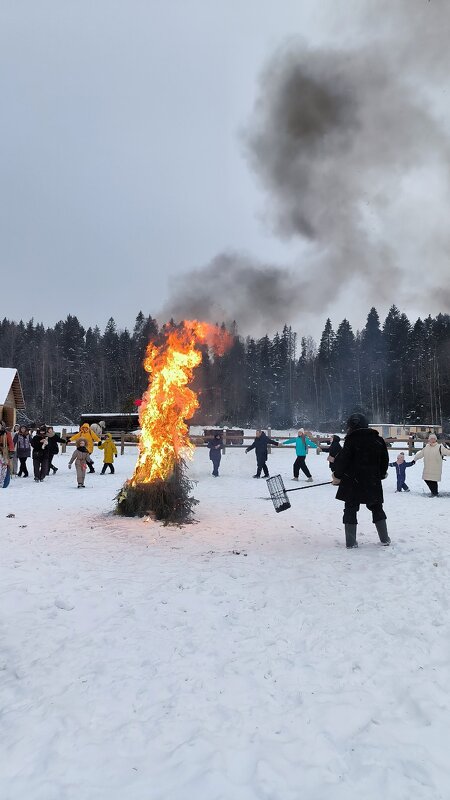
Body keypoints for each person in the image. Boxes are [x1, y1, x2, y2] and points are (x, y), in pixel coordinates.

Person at [332, 413, 390, 549]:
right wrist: (381, 474)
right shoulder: (378, 440)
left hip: (352, 482)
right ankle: (384, 539)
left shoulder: (351, 440)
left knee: (350, 509)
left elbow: (342, 461)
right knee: (377, 508)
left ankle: (351, 542)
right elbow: (384, 460)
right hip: (372, 481)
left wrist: (337, 476)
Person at [0, 420, 15, 488]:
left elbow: (11, 443)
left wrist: (11, 451)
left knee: (4, 467)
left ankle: (4, 483)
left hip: (4, 452)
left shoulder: (7, 433)